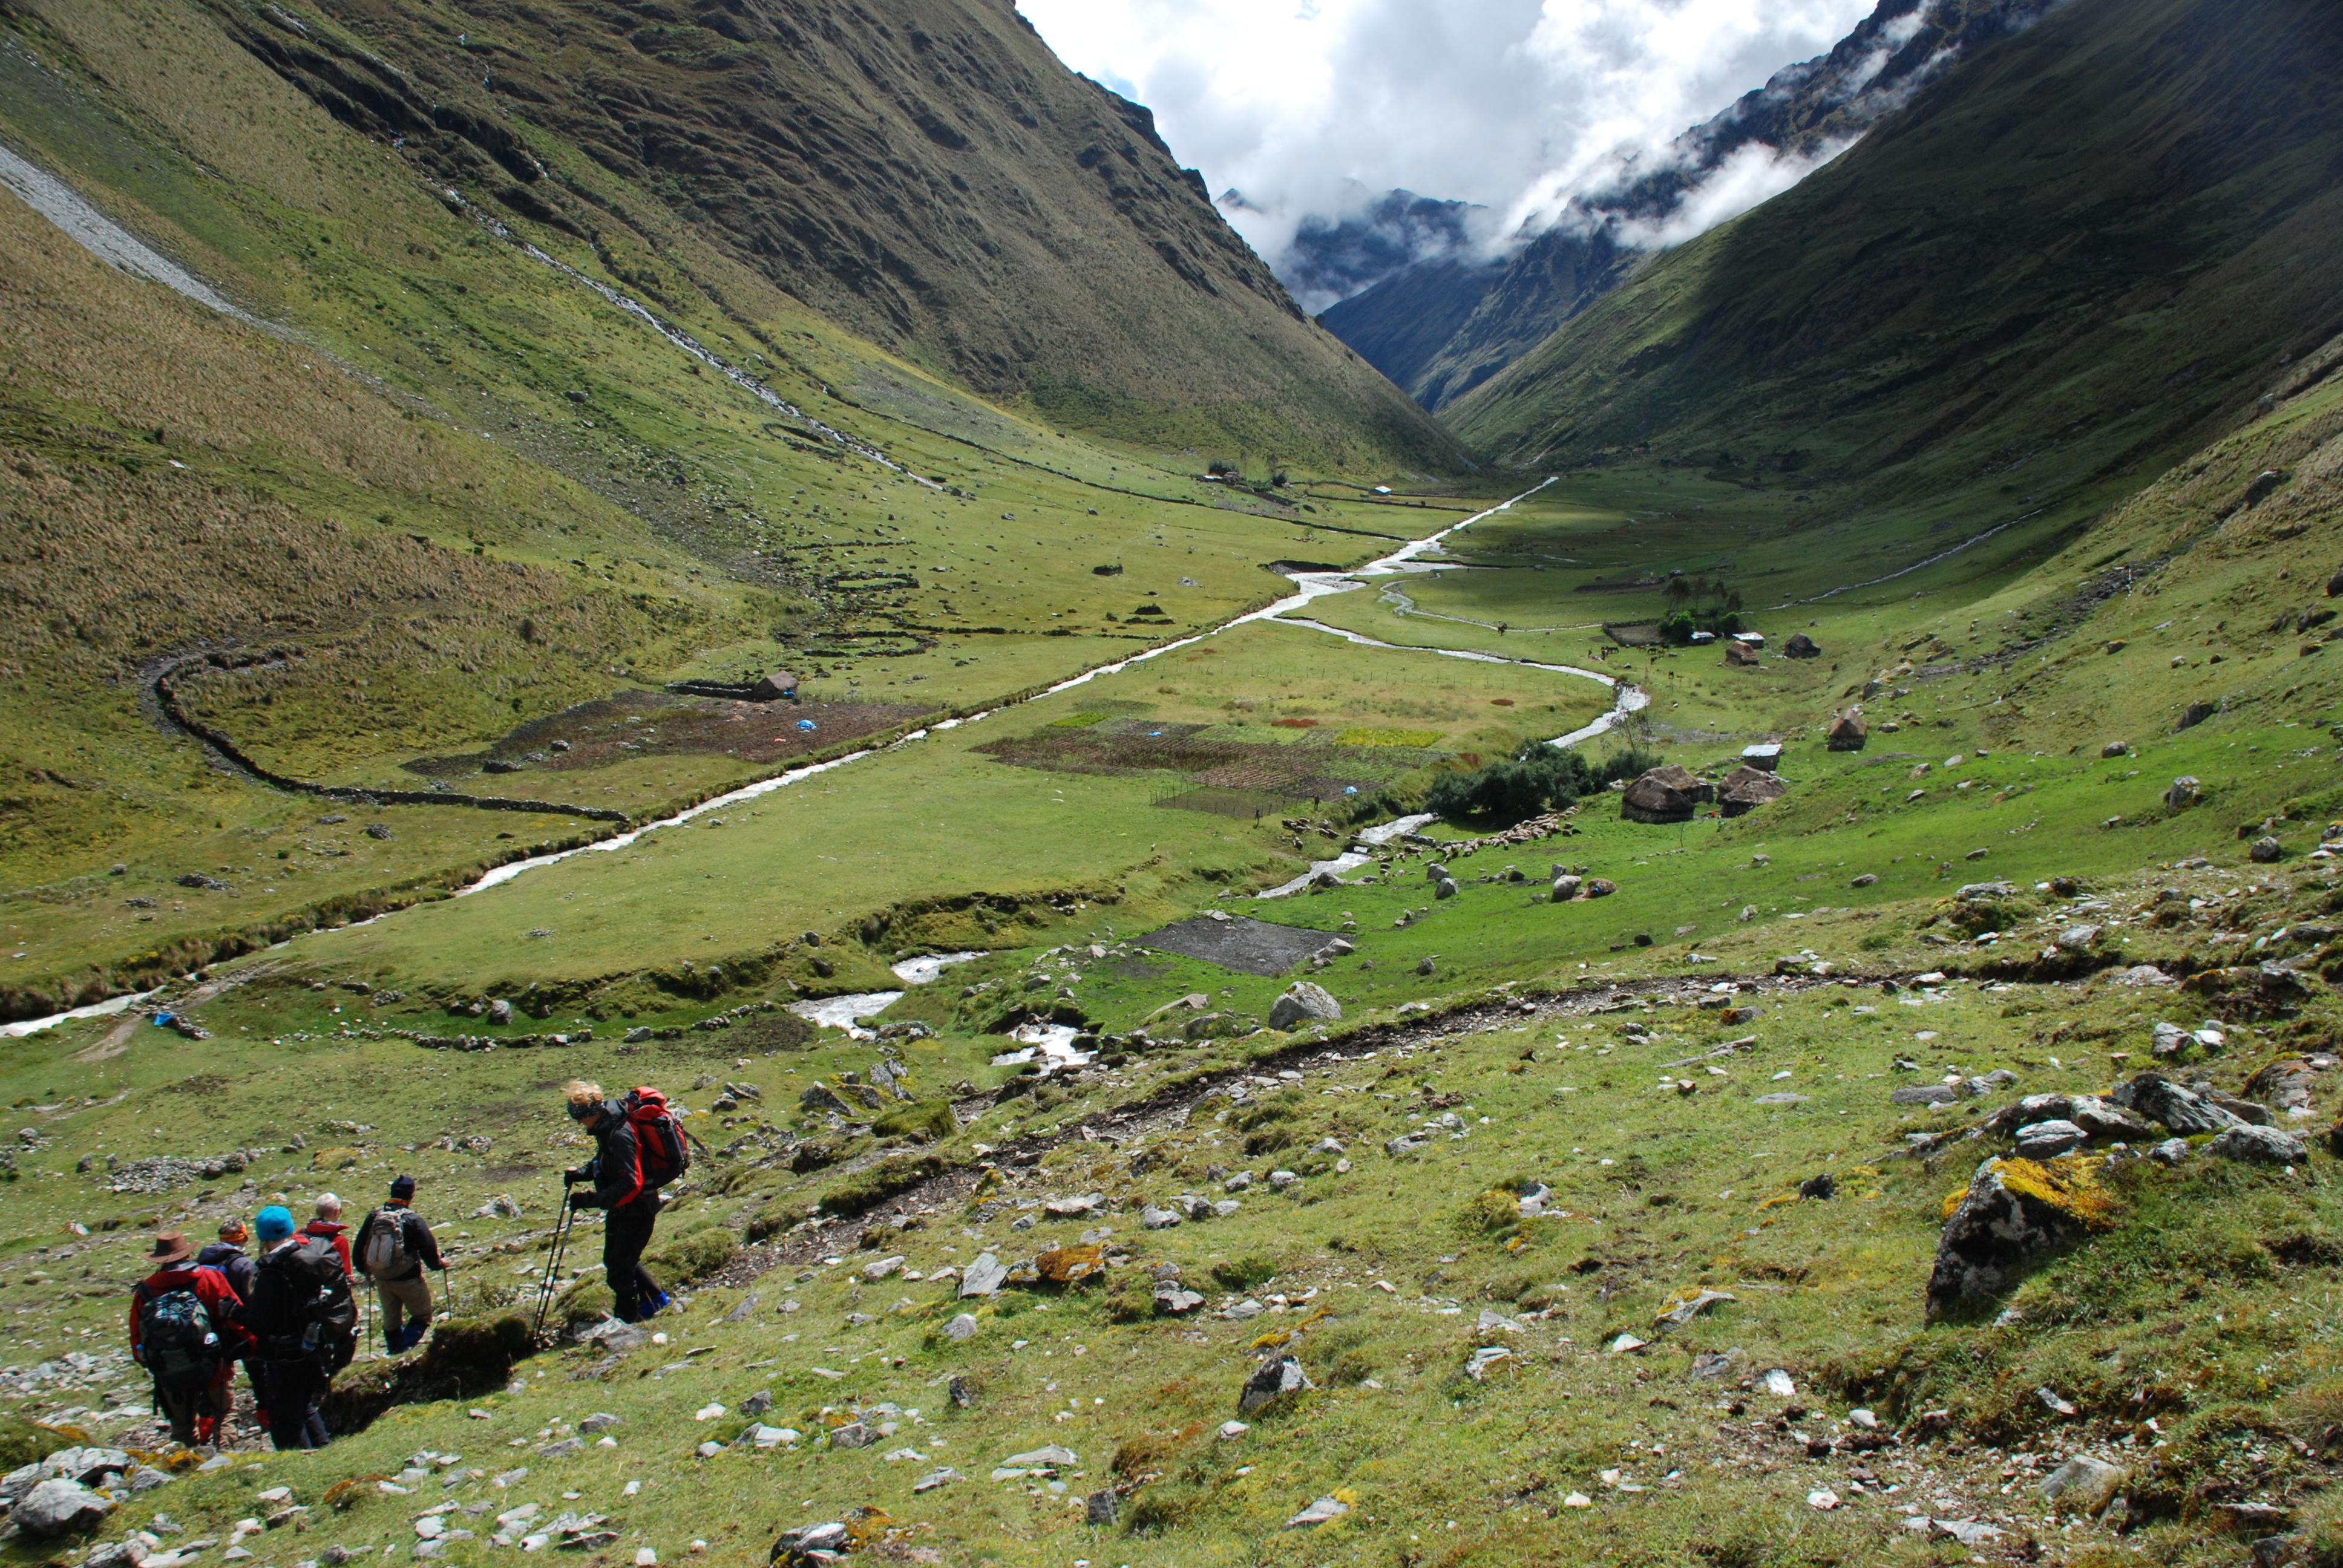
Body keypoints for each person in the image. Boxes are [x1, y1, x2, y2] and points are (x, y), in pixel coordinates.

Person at [563, 1080, 683, 1323]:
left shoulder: (620, 1134)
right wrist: (581, 1173)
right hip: (625, 1208)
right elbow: (605, 1161)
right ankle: (656, 1300)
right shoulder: (608, 1127)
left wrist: (591, 1200)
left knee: (620, 1269)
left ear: (590, 1112)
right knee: (615, 1261)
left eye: (580, 1117)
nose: (579, 1123)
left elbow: (631, 1182)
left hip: (638, 1209)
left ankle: (627, 1321)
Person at [128, 1231, 251, 1448]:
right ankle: (224, 1456)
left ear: (160, 1259)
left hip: (171, 1369)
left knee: (182, 1427)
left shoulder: (146, 1291)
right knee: (225, 1414)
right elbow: (235, 1316)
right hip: (214, 1363)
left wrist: (154, 1362)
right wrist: (251, 1342)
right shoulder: (209, 1278)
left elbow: (137, 1338)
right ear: (187, 1254)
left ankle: (188, 1460)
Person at [244, 1206, 351, 1449]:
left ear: (263, 1236)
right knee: (305, 1406)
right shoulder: (310, 1254)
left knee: (287, 1419)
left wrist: (235, 1312)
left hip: (285, 1355)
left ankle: (302, 1459)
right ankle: (324, 1451)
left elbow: (260, 1325)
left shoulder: (272, 1270)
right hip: (315, 1345)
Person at [354, 1175, 442, 1353]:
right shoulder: (412, 1219)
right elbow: (428, 1247)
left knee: (391, 1320)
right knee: (422, 1315)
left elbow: (359, 1246)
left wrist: (364, 1269)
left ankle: (393, 1350)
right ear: (412, 1195)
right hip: (407, 1278)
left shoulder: (374, 1215)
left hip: (381, 1277)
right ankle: (403, 1349)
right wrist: (438, 1264)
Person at [304, 1194, 355, 1279]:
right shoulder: (339, 1240)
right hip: (328, 1284)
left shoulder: (301, 1233)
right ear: (336, 1211)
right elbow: (345, 1272)